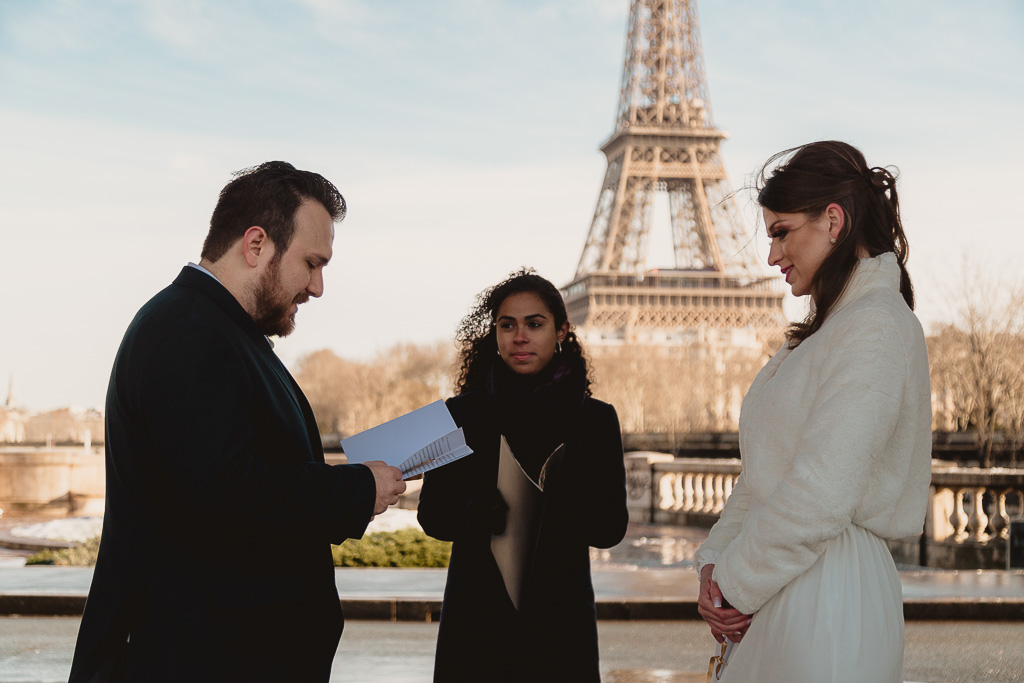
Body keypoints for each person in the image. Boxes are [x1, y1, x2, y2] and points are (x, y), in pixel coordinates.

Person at [69, 161, 407, 682]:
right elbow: (226, 493)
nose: (317, 287)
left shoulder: (213, 329)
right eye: (311, 263)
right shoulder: (190, 331)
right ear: (255, 245)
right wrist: (358, 488)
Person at [694, 141, 932, 682]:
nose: (771, 255)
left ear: (833, 220)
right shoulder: (826, 334)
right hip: (787, 578)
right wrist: (713, 565)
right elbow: (763, 477)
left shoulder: (873, 324)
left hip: (830, 589)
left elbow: (823, 490)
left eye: (780, 232)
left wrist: (734, 580)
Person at [417, 269, 629, 683]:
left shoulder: (596, 420)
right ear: (494, 334)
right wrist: (476, 510)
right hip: (475, 621)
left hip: (559, 622)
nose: (519, 336)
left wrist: (554, 503)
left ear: (562, 330)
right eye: (507, 325)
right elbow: (432, 517)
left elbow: (610, 528)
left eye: (534, 324)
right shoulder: (459, 414)